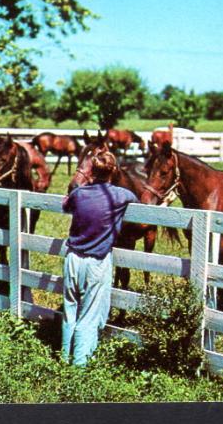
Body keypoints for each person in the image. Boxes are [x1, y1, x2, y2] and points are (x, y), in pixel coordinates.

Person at [61, 151, 137, 366]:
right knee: (89, 316)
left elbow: (66, 205)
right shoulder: (120, 195)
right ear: (113, 171)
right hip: (96, 261)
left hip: (72, 258)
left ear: (91, 171)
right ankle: (79, 368)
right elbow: (137, 201)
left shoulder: (78, 194)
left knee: (70, 310)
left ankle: (64, 358)